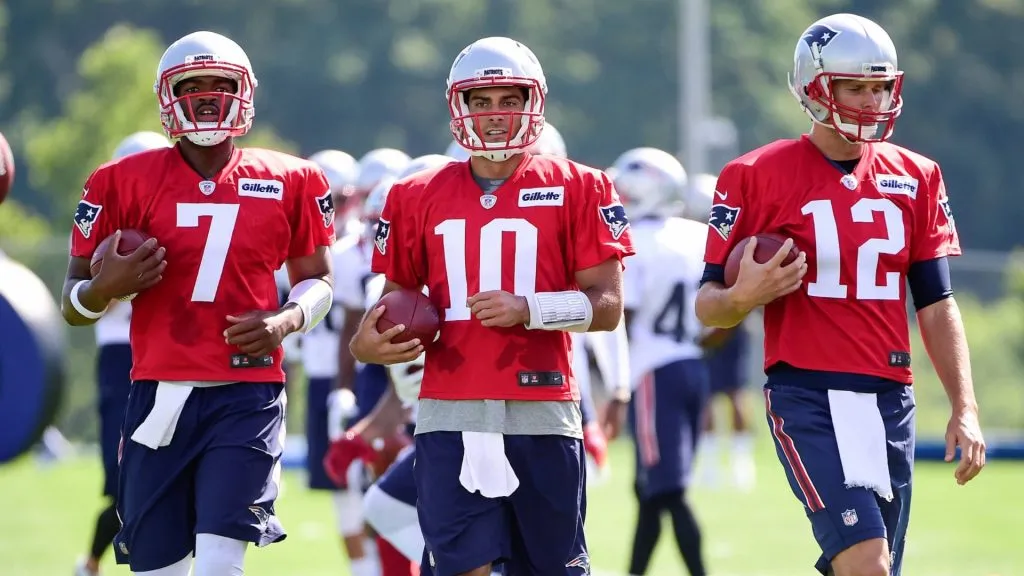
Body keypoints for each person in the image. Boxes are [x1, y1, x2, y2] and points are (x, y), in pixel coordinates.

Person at [695, 13, 986, 576]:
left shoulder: (918, 175)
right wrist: (743, 296)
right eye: (854, 87)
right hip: (807, 395)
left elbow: (935, 302)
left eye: (880, 87)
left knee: (871, 568)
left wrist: (965, 406)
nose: (871, 101)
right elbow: (707, 303)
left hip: (889, 396)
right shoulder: (754, 173)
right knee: (867, 564)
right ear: (812, 87)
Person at [349, 36, 635, 576]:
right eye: (481, 101)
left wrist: (530, 308)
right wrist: (368, 344)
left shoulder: (582, 186)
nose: (495, 114)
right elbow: (394, 307)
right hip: (447, 410)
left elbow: (607, 306)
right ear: (459, 105)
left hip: (543, 408)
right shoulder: (413, 194)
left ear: (534, 102)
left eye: (509, 99)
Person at [62, 30, 336, 575]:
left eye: (220, 85)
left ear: (244, 92)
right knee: (159, 568)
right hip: (158, 392)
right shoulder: (118, 181)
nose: (207, 97)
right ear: (169, 95)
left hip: (247, 395)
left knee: (219, 562)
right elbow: (72, 304)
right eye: (193, 85)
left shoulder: (293, 178)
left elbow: (318, 281)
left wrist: (286, 320)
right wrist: (104, 288)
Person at [74, 131, 172, 576]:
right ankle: (91, 563)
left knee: (170, 477)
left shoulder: (184, 217)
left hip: (173, 356)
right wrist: (120, 277)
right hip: (123, 358)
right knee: (123, 481)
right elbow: (91, 305)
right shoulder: (108, 229)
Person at [607, 147, 708, 576]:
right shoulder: (698, 236)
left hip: (653, 371)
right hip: (694, 365)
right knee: (649, 489)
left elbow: (621, 316)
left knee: (668, 490)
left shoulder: (635, 243)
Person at [684, 171, 758, 491]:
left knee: (725, 392)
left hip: (718, 319)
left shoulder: (702, 239)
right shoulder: (729, 235)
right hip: (728, 317)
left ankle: (728, 462)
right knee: (730, 391)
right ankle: (733, 462)